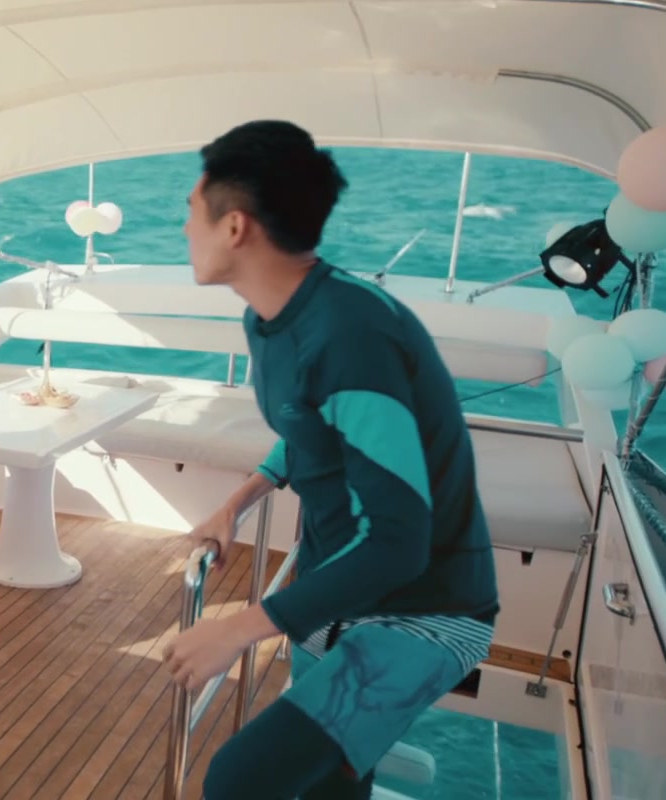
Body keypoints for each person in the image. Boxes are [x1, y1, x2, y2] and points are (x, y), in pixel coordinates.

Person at [162, 120, 500, 799]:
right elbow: (310, 428)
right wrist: (236, 504)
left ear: (234, 226)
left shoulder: (352, 334)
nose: (184, 227)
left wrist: (239, 629)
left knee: (238, 779)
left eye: (191, 210)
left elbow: (400, 544)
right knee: (331, 784)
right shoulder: (270, 319)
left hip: (423, 611)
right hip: (334, 591)